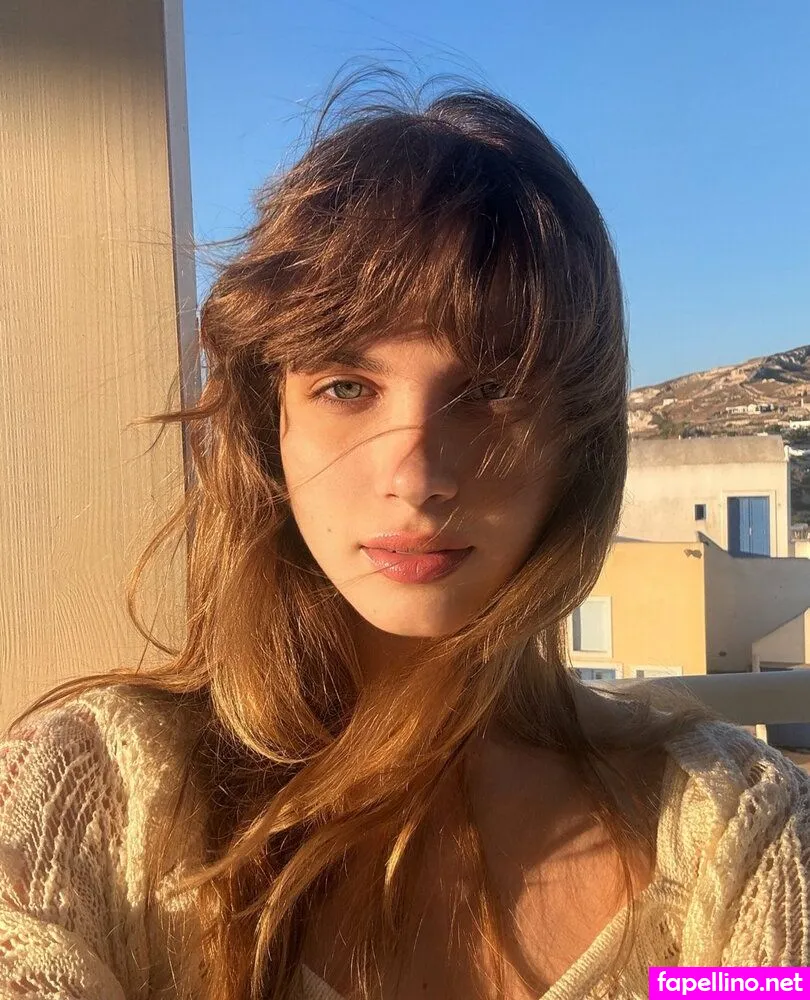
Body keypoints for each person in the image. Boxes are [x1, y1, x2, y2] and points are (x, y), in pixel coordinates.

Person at [1, 66, 809, 1000]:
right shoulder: (90, 801)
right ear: (270, 427)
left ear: (577, 440)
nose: (416, 477)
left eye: (491, 390)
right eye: (346, 386)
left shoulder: (733, 834)